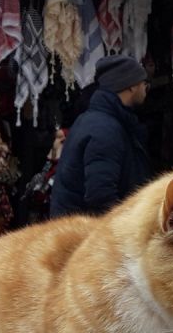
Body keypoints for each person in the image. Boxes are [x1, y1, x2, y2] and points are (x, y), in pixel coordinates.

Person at [50, 55, 152, 218]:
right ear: (131, 86)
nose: (146, 88)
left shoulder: (96, 120)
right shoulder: (105, 129)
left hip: (79, 230)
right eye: (144, 83)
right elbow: (100, 195)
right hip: (84, 235)